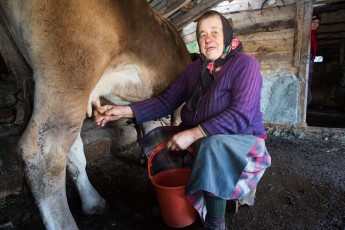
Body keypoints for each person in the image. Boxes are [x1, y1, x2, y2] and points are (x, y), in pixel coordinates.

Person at [94, 10, 271, 230]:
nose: (208, 39)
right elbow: (164, 102)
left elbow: (241, 114)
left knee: (212, 145)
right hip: (201, 135)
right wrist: (122, 111)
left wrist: (193, 133)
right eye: (202, 34)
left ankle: (215, 221)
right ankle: (181, 201)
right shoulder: (193, 70)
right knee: (156, 139)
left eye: (215, 32)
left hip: (240, 141)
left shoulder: (245, 65)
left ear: (227, 34)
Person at [308, 13, 321, 105]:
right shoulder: (307, 34)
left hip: (310, 65)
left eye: (317, 22)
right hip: (307, 65)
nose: (315, 24)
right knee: (308, 98)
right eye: (313, 21)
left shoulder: (313, 36)